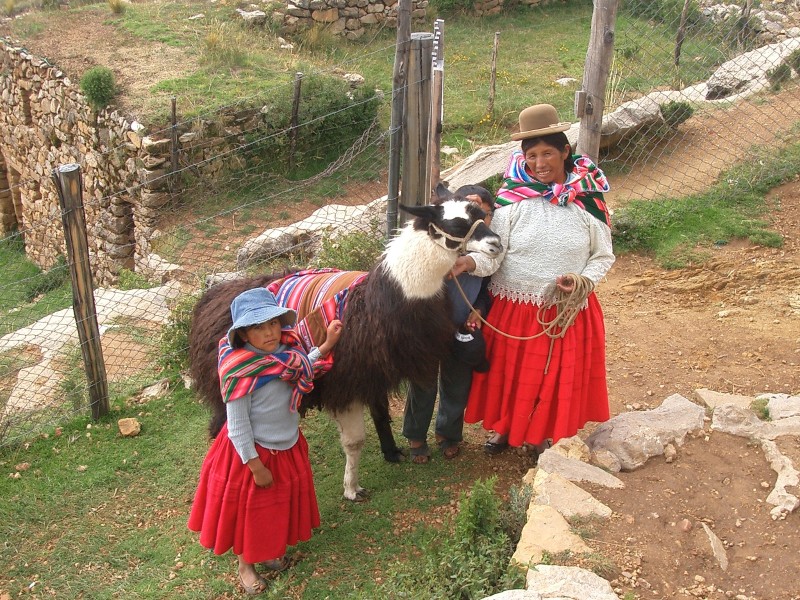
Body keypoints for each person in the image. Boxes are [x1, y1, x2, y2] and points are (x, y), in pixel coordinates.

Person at [451, 103, 614, 458]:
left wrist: (582, 280)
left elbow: (603, 255)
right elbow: (494, 254)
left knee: (550, 376)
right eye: (532, 155)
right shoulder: (512, 203)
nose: (540, 163)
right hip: (513, 307)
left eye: (548, 154)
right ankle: (504, 429)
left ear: (565, 152)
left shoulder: (588, 203)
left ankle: (540, 434)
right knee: (509, 374)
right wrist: (468, 262)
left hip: (563, 310)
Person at [188, 287, 342, 595]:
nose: (270, 332)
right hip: (252, 453)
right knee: (251, 511)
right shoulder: (239, 371)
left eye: (273, 323)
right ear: (243, 334)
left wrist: (325, 345)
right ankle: (246, 565)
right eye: (259, 327)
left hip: (286, 444)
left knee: (275, 505)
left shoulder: (286, 358)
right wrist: (255, 464)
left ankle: (270, 551)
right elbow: (238, 424)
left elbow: (303, 365)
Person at [402, 185, 494, 463]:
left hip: (462, 327)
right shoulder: (432, 244)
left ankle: (448, 434)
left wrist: (479, 309)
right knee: (423, 382)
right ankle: (416, 436)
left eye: (482, 212)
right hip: (428, 327)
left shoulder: (489, 252)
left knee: (457, 383)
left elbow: (490, 289)